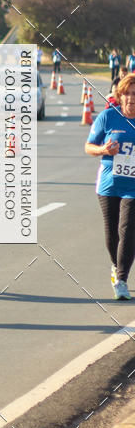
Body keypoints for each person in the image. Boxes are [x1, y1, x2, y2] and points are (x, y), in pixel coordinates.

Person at [85, 73, 135, 300]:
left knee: (128, 229)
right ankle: (116, 265)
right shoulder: (108, 117)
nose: (131, 98)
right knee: (112, 233)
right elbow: (89, 146)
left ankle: (122, 280)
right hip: (109, 184)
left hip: (132, 186)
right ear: (120, 95)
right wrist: (103, 150)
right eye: (127, 94)